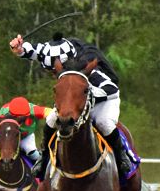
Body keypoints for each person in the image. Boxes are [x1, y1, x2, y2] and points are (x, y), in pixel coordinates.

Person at [8, 32, 141, 173]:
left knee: (103, 122)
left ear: (64, 64)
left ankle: (122, 157)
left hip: (104, 99)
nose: (55, 74)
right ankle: (44, 158)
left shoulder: (89, 68)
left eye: (55, 71)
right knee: (51, 120)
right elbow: (34, 50)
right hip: (72, 100)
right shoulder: (52, 51)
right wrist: (19, 49)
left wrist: (88, 94)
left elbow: (112, 89)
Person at [0, 95, 45, 174]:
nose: (19, 119)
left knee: (33, 153)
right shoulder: (4, 110)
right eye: (17, 116)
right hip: (7, 136)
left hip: (26, 136)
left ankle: (40, 171)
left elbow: (49, 112)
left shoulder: (34, 109)